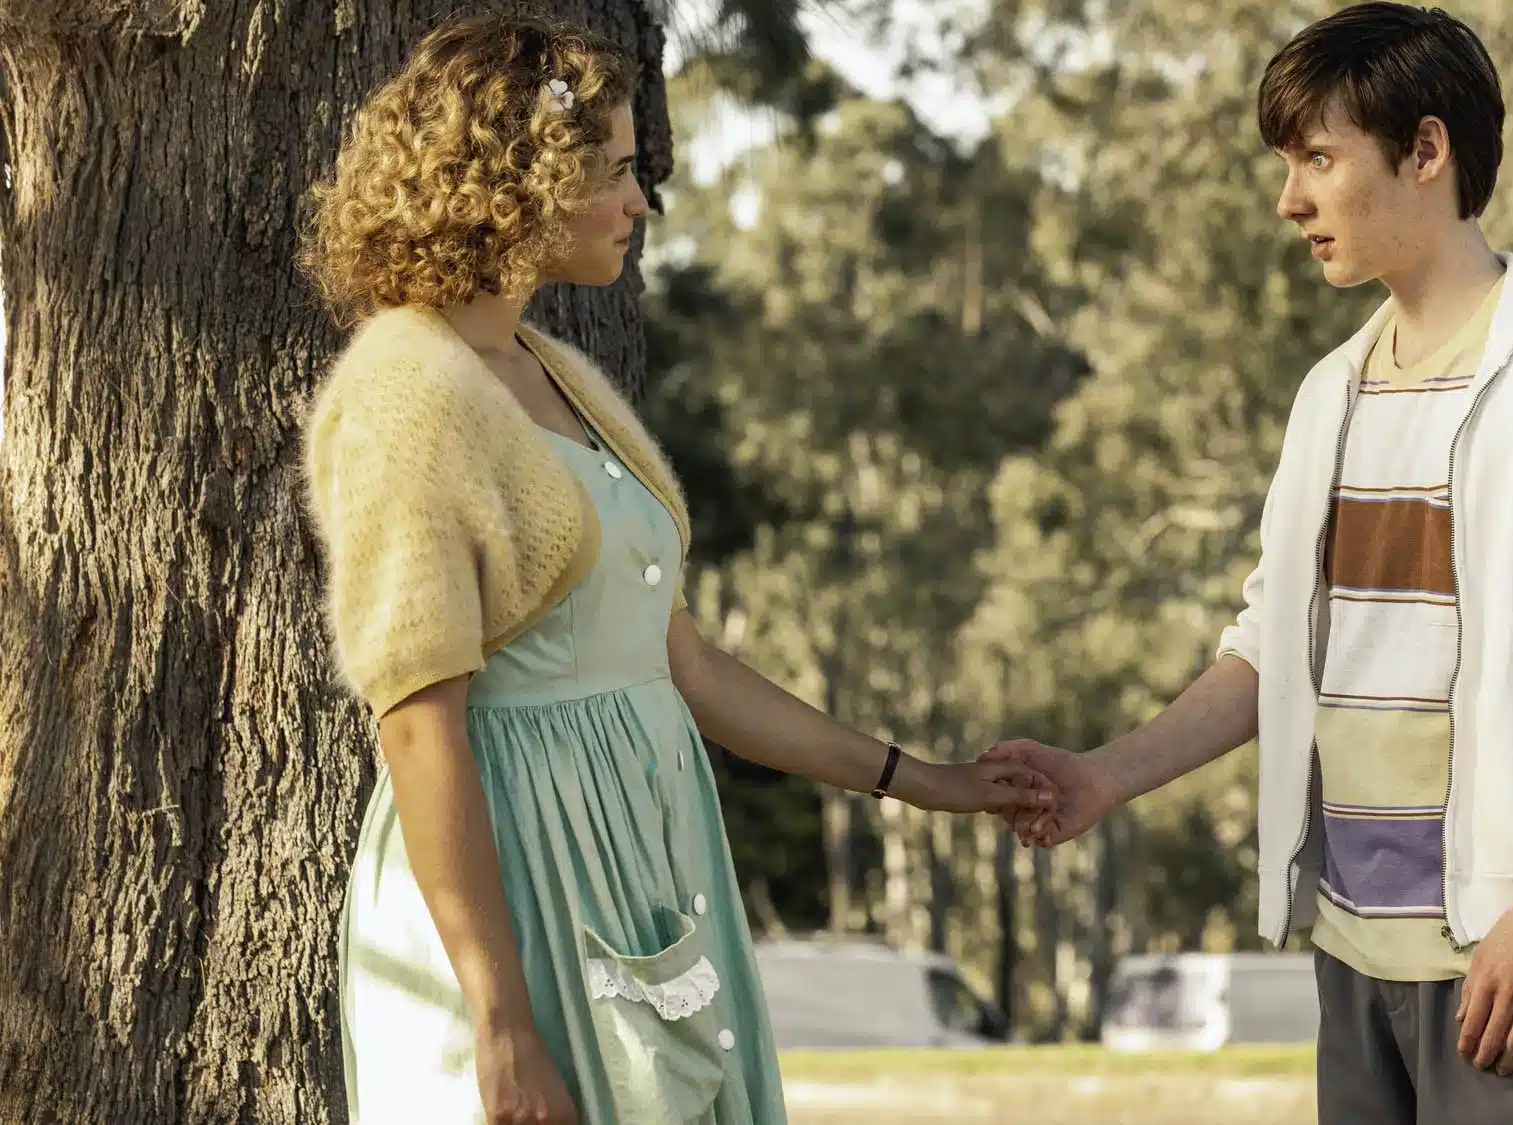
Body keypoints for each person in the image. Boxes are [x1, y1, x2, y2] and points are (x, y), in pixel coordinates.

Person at [983, 5, 1513, 1123]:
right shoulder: (1329, 393)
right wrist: (1105, 776)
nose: (1289, 200)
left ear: (1425, 150)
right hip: (1352, 951)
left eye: (1318, 159)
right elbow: (1271, 648)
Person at [297, 15, 1051, 1125]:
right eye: (612, 172)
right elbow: (418, 726)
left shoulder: (549, 368)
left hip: (637, 853)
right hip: (521, 881)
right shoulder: (406, 393)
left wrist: (924, 780)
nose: (639, 203)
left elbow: (684, 666)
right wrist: (500, 1020)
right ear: (518, 179)